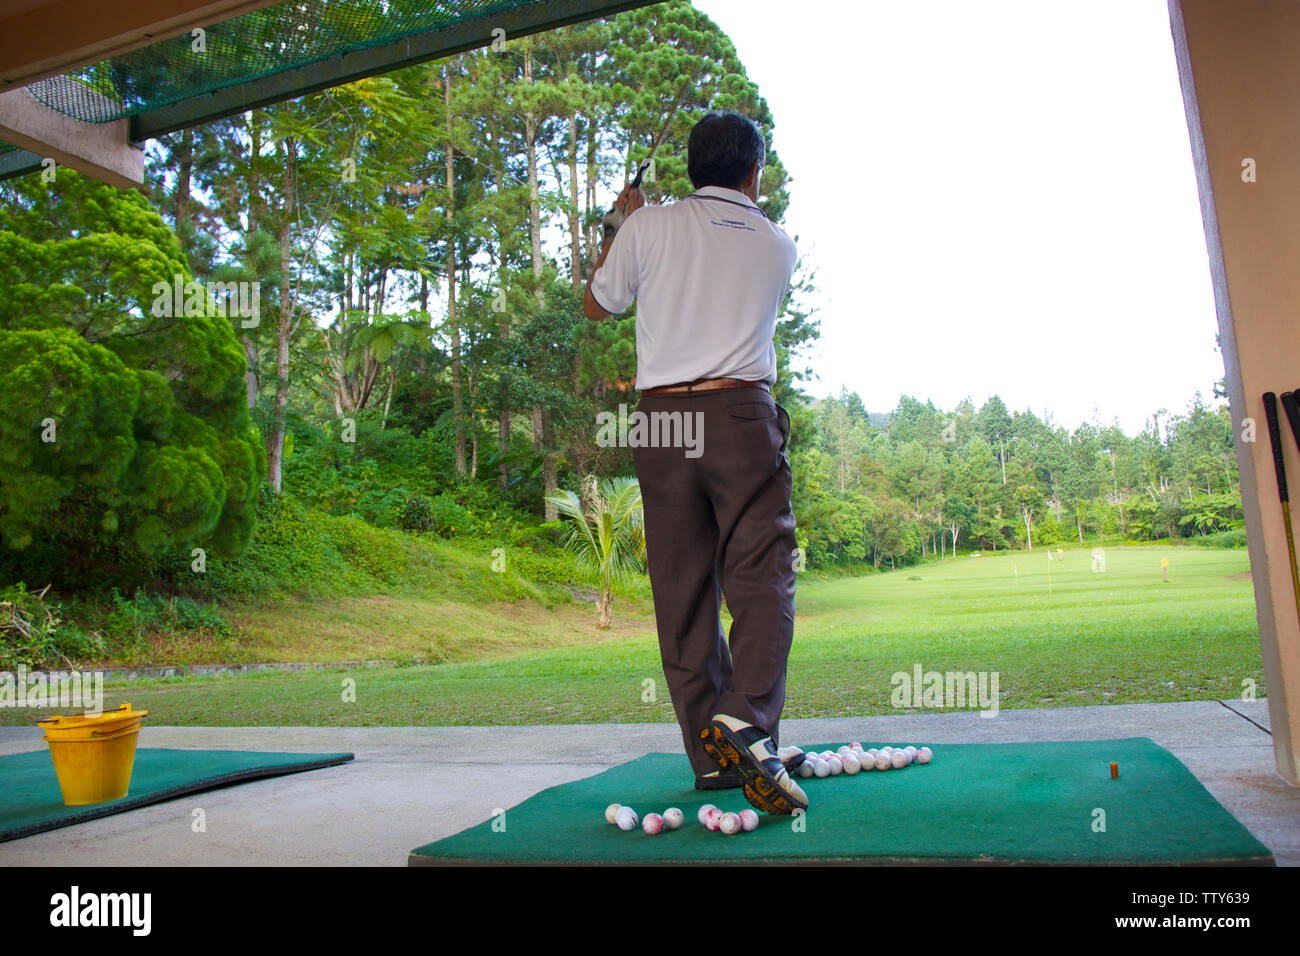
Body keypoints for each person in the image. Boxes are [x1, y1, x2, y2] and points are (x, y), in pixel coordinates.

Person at [582, 110, 807, 814]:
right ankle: (742, 724)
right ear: (754, 172)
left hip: (663, 423)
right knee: (761, 575)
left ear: (689, 168)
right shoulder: (778, 245)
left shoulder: (649, 227)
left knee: (682, 591)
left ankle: (713, 761)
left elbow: (597, 304)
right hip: (739, 416)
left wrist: (621, 226)